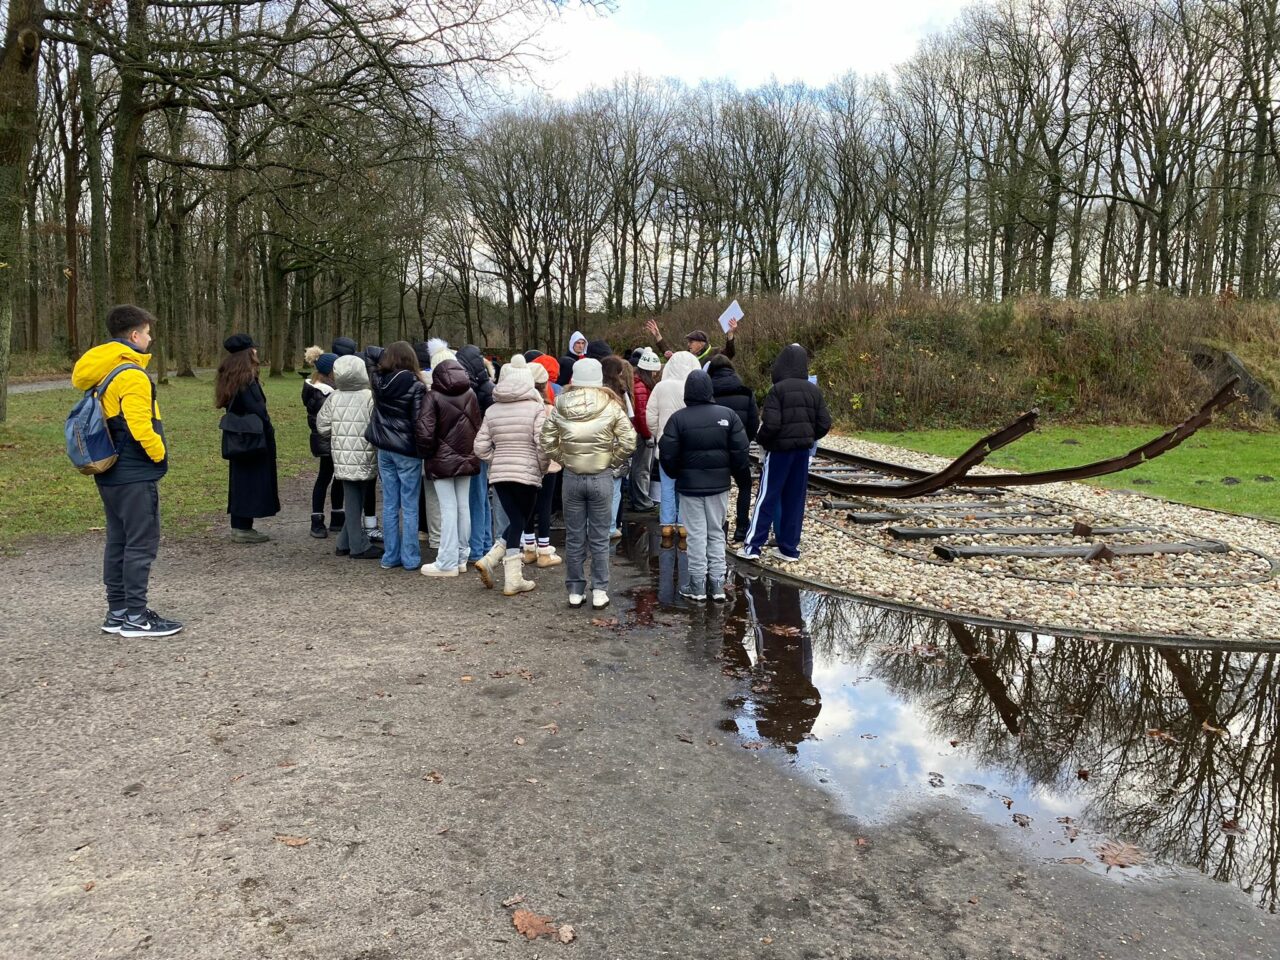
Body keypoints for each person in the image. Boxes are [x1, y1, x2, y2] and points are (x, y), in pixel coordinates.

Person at [71, 304, 182, 638]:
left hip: (110, 472)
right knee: (141, 543)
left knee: (119, 541)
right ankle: (136, 617)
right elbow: (140, 426)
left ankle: (117, 611)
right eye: (147, 332)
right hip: (134, 472)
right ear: (135, 335)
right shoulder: (131, 375)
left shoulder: (104, 374)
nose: (150, 338)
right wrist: (160, 455)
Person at [540, 357, 637, 610]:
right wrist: (609, 461)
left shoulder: (560, 404)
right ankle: (600, 590)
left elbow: (546, 440)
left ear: (574, 378)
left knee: (574, 536)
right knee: (600, 536)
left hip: (571, 477)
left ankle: (574, 590)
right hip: (601, 477)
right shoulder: (611, 405)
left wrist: (565, 459)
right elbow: (629, 441)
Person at [658, 370, 750, 603]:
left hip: (689, 487)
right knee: (716, 533)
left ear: (687, 392)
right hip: (719, 487)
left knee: (696, 535)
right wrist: (730, 474)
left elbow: (666, 454)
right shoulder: (728, 416)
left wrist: (678, 474)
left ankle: (697, 585)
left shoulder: (678, 419)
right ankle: (718, 584)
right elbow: (741, 452)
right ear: (710, 390)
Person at [739, 344, 832, 563]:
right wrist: (808, 436)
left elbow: (771, 424)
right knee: (795, 499)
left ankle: (753, 546)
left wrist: (761, 439)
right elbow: (824, 423)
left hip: (779, 452)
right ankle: (789, 549)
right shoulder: (813, 390)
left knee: (767, 497)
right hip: (802, 452)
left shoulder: (778, 390)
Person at [473, 356, 549, 595]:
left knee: (516, 520)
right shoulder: (537, 408)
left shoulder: (492, 410)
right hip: (527, 474)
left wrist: (498, 461)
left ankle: (490, 560)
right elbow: (542, 445)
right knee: (520, 521)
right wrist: (542, 468)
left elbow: (480, 447)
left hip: (500, 476)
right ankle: (513, 579)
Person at [415, 355, 481, 577]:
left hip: (442, 460)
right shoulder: (470, 394)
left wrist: (428, 455)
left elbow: (424, 433)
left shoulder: (432, 397)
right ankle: (461, 556)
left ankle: (447, 562)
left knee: (449, 509)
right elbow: (476, 425)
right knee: (463, 506)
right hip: (467, 456)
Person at [315, 355, 383, 560]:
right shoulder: (370, 397)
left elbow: (322, 427)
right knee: (357, 498)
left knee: (354, 498)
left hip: (342, 456)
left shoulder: (334, 397)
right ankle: (358, 545)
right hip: (366, 454)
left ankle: (344, 542)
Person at [367, 341, 427, 571]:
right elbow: (418, 422)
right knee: (410, 505)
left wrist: (386, 355)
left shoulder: (380, 383)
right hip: (407, 450)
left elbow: (369, 354)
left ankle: (391, 556)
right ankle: (410, 557)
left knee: (390, 504)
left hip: (385, 449)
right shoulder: (416, 386)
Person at [215, 334, 280, 543]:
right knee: (250, 480)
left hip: (238, 436)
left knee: (241, 478)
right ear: (248, 353)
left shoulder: (229, 374)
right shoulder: (246, 379)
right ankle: (242, 527)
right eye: (254, 349)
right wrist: (268, 428)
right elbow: (258, 409)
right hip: (252, 437)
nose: (256, 353)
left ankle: (241, 525)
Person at [644, 350, 701, 545]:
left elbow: (650, 416)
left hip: (666, 446)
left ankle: (667, 525)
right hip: (688, 447)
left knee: (667, 486)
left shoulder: (660, 387)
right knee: (684, 487)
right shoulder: (692, 387)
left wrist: (659, 434)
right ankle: (684, 524)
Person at [707, 354, 759, 543]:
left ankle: (717, 527)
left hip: (715, 450)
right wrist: (745, 440)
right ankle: (741, 527)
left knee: (716, 489)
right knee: (744, 485)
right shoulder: (745, 392)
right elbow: (754, 423)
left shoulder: (709, 393)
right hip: (738, 449)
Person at [519, 358, 563, 567]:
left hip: (526, 464)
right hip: (548, 465)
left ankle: (529, 548)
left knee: (528, 505)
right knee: (544, 505)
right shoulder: (549, 409)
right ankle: (544, 549)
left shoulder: (521, 408)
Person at [456, 344, 496, 564]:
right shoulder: (487, 386)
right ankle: (485, 543)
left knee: (477, 498)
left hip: (476, 448)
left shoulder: (475, 389)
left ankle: (477, 548)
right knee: (481, 497)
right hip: (482, 447)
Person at [301, 350, 342, 538]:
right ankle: (317, 520)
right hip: (328, 440)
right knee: (326, 477)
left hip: (326, 439)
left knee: (334, 478)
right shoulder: (323, 392)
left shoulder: (317, 388)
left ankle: (336, 516)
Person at [601, 356, 636, 540]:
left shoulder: (594, 391)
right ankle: (610, 527)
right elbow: (630, 419)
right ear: (619, 372)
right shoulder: (622, 392)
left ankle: (593, 526)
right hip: (616, 446)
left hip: (596, 445)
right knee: (614, 489)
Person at [629, 348, 661, 511]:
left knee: (640, 467)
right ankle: (642, 501)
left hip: (640, 431)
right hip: (642, 433)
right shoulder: (641, 386)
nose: (656, 374)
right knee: (642, 468)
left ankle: (640, 499)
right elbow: (641, 413)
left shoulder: (638, 383)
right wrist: (648, 435)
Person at [645, 317, 738, 363]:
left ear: (702, 343)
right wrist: (658, 335)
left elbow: (730, 353)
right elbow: (668, 353)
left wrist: (730, 333)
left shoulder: (716, 353)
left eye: (691, 342)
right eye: (688, 342)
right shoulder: (686, 357)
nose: (688, 345)